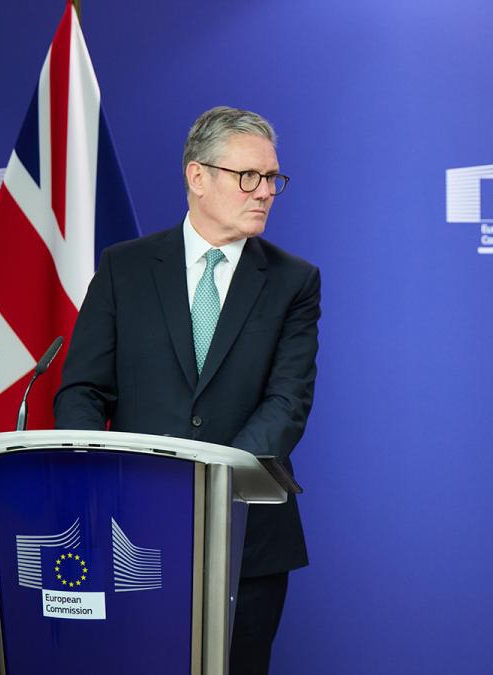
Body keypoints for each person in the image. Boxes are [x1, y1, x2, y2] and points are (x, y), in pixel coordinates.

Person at [54, 106, 319, 674]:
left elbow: (286, 400)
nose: (265, 191)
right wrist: (99, 485)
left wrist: (211, 482)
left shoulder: (294, 281)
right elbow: (82, 390)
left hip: (246, 539)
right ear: (198, 177)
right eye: (249, 176)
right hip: (131, 531)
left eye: (273, 178)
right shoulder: (125, 268)